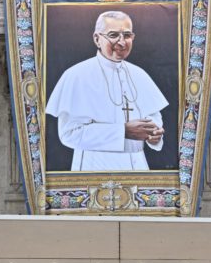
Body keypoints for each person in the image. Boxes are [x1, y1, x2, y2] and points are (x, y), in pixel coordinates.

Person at [46, 10, 169, 171]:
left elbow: (154, 117)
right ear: (97, 39)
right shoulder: (76, 75)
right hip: (94, 167)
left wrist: (154, 136)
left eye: (127, 35)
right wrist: (122, 131)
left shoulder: (139, 74)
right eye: (113, 35)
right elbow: (68, 134)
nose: (122, 42)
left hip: (138, 168)